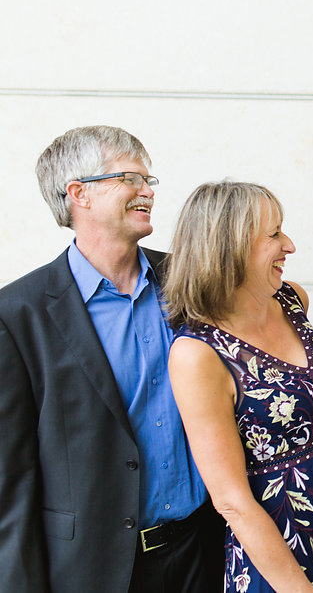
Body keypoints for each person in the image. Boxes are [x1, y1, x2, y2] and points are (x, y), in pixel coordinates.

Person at [0, 126, 222, 593]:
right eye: (129, 178)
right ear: (78, 193)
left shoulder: (189, 279)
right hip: (95, 569)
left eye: (149, 180)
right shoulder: (18, 314)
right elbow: (11, 482)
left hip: (205, 551)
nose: (148, 191)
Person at [164, 181, 313, 593]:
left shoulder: (293, 301)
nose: (291, 245)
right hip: (281, 544)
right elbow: (232, 502)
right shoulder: (197, 354)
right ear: (230, 247)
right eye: (275, 234)